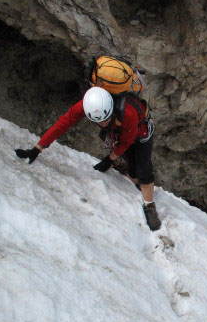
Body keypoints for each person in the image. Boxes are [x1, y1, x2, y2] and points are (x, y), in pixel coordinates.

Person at [15, 86, 161, 231]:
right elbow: (63, 123)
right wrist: (38, 148)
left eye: (105, 119)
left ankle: (149, 205)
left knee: (144, 169)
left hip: (141, 133)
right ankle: (137, 183)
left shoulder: (128, 112)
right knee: (133, 167)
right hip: (119, 130)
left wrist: (109, 159)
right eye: (99, 122)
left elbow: (127, 142)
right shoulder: (87, 105)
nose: (102, 124)